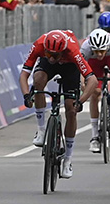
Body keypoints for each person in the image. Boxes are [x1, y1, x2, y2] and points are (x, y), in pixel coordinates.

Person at [19, 30, 99, 179]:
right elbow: (24, 75)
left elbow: (92, 81)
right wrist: (26, 95)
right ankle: (42, 130)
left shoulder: (73, 50)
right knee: (38, 81)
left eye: (54, 55)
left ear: (62, 51)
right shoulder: (40, 45)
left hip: (70, 67)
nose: (51, 58)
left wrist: (80, 101)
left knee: (70, 109)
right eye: (48, 54)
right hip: (49, 67)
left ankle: (68, 159)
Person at [81, 28, 110, 154]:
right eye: (96, 51)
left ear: (107, 46)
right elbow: (80, 67)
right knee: (95, 93)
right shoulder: (85, 48)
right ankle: (94, 136)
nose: (99, 54)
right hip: (93, 64)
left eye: (102, 51)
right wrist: (83, 84)